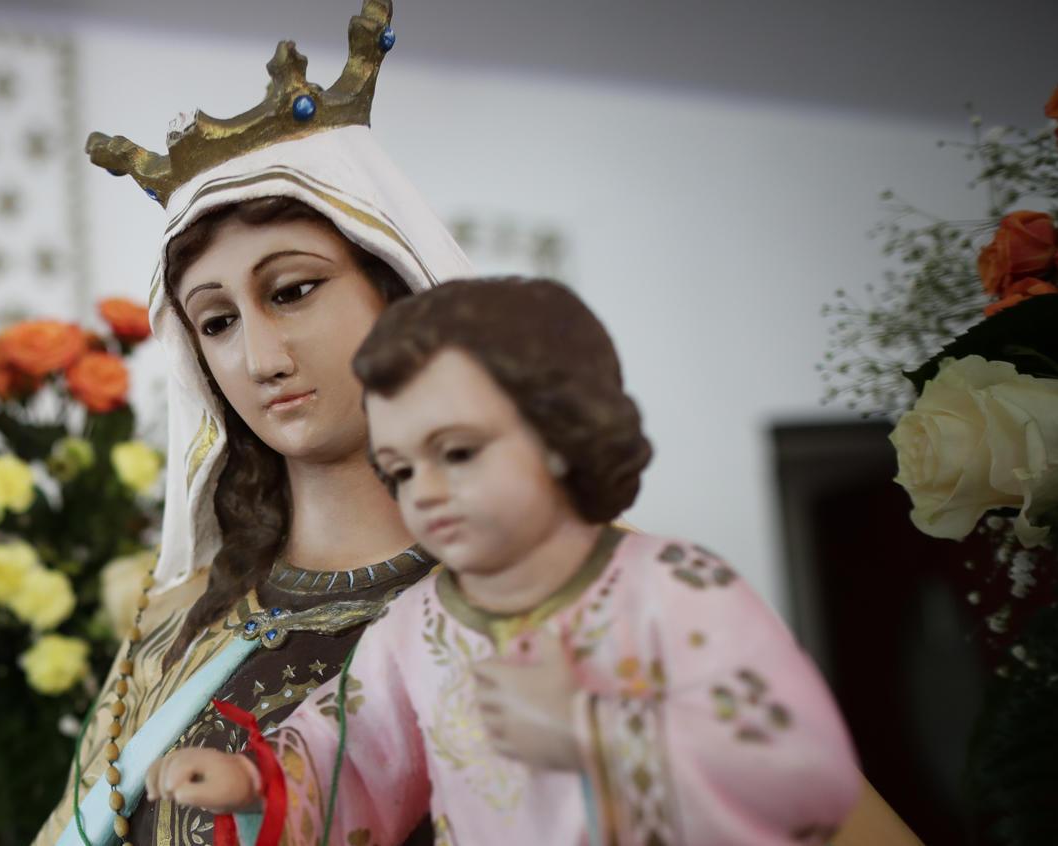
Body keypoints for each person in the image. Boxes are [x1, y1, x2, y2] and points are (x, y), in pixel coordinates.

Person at [144, 279, 862, 845]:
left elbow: (806, 776)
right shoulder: (419, 624)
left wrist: (594, 732)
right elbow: (354, 758)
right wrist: (256, 783)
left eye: (457, 453)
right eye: (401, 470)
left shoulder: (671, 588)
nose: (426, 491)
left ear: (559, 431)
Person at [35, 3, 472, 844]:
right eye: (217, 321)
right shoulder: (177, 621)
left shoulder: (528, 606)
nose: (260, 358)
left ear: (398, 292)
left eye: (292, 291)